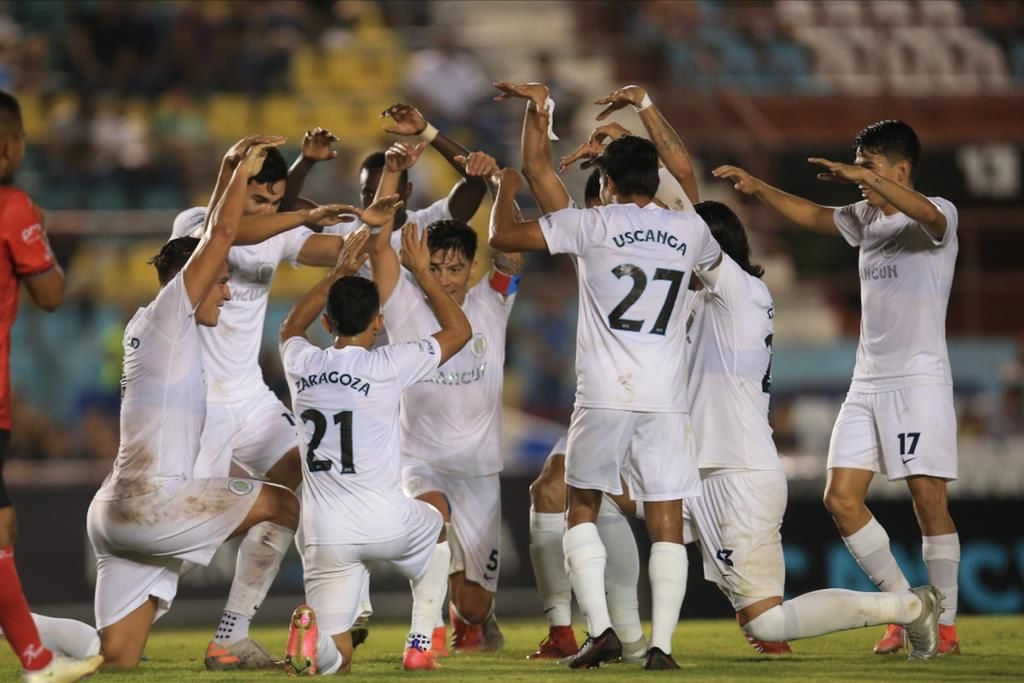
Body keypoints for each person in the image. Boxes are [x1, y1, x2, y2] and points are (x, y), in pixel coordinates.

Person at [610, 200, 942, 660]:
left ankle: (909, 606)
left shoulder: (739, 291)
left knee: (768, 620)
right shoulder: (699, 298)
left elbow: (691, 210)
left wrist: (652, 133)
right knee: (602, 492)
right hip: (699, 468)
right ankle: (617, 636)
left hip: (737, 472)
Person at [713, 119, 961, 655]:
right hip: (867, 379)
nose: (859, 178)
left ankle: (948, 626)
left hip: (918, 379)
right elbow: (814, 215)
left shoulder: (938, 214)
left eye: (869, 166)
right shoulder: (866, 215)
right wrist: (759, 188)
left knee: (928, 500)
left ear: (900, 169)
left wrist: (868, 180)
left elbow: (926, 213)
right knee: (841, 498)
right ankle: (908, 608)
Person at [86, 138, 333, 669]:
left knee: (114, 658)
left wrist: (307, 178)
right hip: (176, 462)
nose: (230, 291)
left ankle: (230, 632)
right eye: (221, 282)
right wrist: (233, 168)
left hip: (130, 493)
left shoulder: (151, 322)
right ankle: (231, 632)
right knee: (247, 517)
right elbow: (222, 232)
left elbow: (263, 229)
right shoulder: (183, 284)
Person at [490, 135, 723, 670]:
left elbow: (504, 233)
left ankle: (601, 632)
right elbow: (701, 243)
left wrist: (506, 187)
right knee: (667, 518)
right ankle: (662, 647)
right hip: (665, 396)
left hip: (603, 395)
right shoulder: (691, 229)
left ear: (608, 183)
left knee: (582, 508)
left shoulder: (592, 224)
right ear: (653, 177)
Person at [170, 130, 362, 668]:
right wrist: (299, 212)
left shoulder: (276, 233)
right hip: (201, 406)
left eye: (278, 202)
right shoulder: (194, 227)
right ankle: (132, 596)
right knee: (180, 547)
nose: (272, 210)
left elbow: (338, 248)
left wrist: (377, 214)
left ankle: (231, 634)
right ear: (232, 188)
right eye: (259, 198)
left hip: (251, 399)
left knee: (300, 481)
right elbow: (236, 225)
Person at [280, 218, 471, 674]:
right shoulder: (387, 364)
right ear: (379, 322)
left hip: (324, 532)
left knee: (336, 660)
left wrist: (337, 272)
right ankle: (421, 643)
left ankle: (315, 645)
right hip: (385, 520)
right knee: (438, 523)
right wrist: (424, 274)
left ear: (328, 322)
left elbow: (290, 327)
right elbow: (459, 332)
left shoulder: (301, 361)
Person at [368, 141, 520, 655]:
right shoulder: (404, 300)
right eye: (435, 267)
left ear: (472, 269)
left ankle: (470, 619)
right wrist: (392, 173)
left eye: (456, 269)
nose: (447, 279)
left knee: (474, 603)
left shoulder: (493, 300)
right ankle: (426, 627)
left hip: (478, 469)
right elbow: (375, 243)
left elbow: (511, 245)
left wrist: (501, 189)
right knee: (430, 520)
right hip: (421, 462)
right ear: (419, 266)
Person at [0, 90, 103, 682]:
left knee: (1, 524)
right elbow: (51, 295)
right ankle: (37, 660)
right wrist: (35, 231)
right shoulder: (12, 206)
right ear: (10, 145)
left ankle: (35, 655)